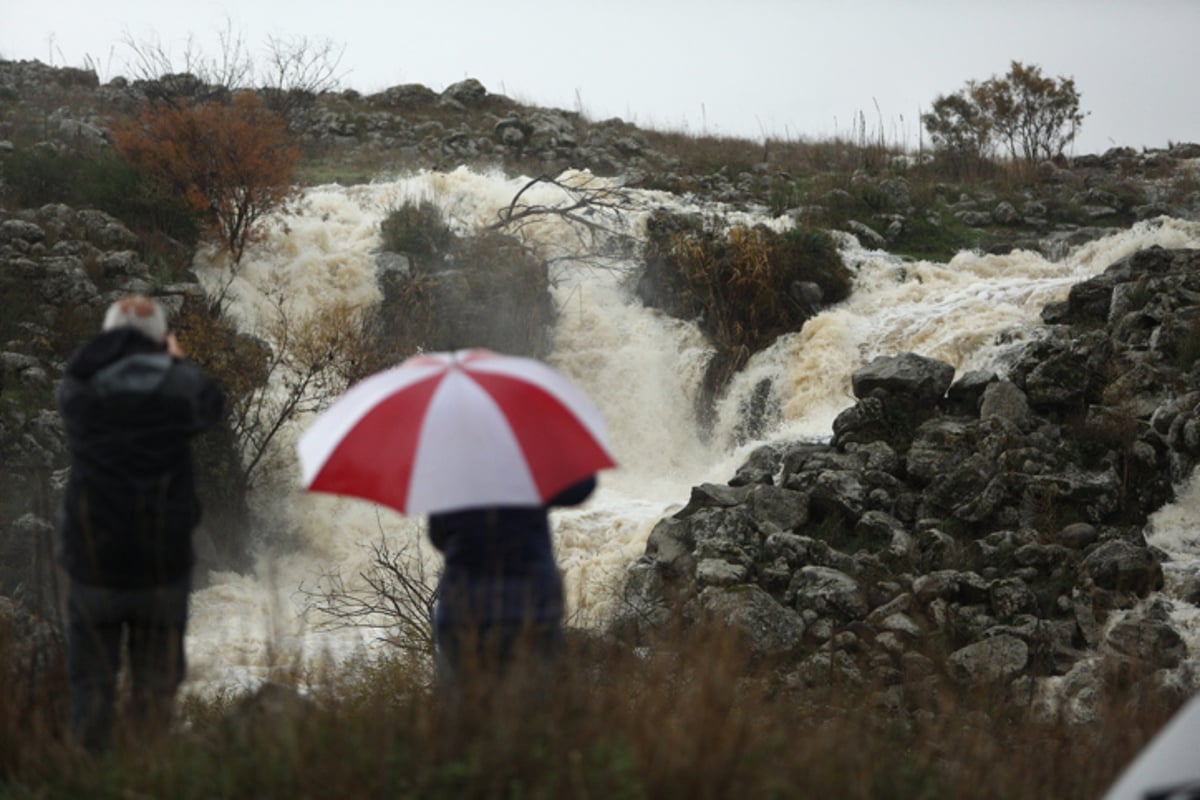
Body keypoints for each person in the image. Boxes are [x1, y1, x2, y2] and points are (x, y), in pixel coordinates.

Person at [57, 295, 223, 752]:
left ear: (108, 337)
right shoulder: (179, 387)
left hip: (94, 560)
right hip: (161, 564)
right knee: (155, 690)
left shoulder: (81, 390)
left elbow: (75, 376)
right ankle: (147, 777)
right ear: (159, 339)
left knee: (90, 687)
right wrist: (174, 360)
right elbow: (211, 404)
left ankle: (91, 781)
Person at [427, 476, 596, 689]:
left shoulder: (454, 476)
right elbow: (580, 488)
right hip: (531, 607)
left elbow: (437, 537)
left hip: (465, 610)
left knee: (466, 709)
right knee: (531, 707)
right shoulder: (526, 472)